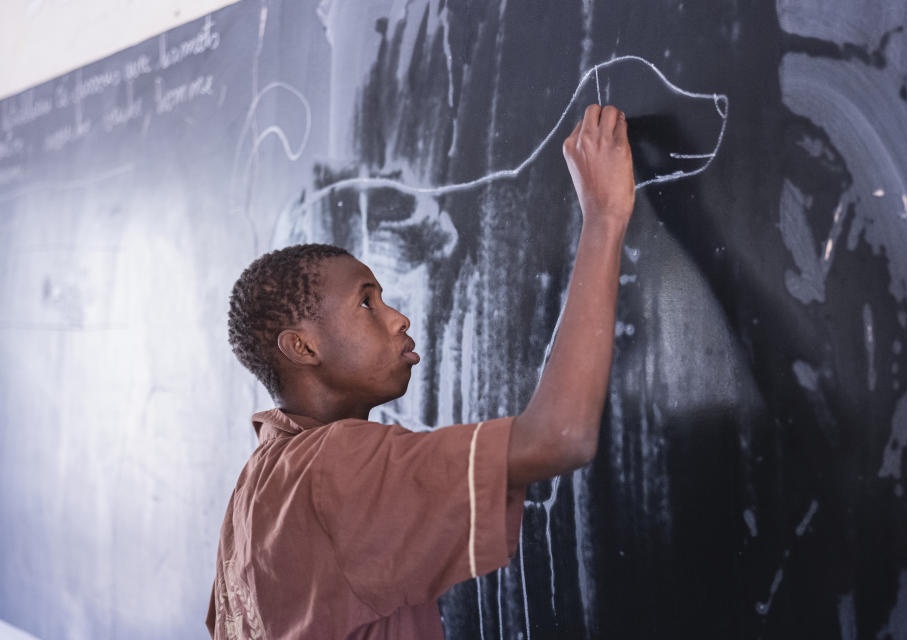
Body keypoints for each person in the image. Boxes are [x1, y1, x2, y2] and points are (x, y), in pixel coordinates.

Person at [206, 103, 636, 639]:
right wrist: (604, 215)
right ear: (302, 347)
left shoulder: (260, 481)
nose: (398, 317)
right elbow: (561, 437)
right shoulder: (337, 467)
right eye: (367, 303)